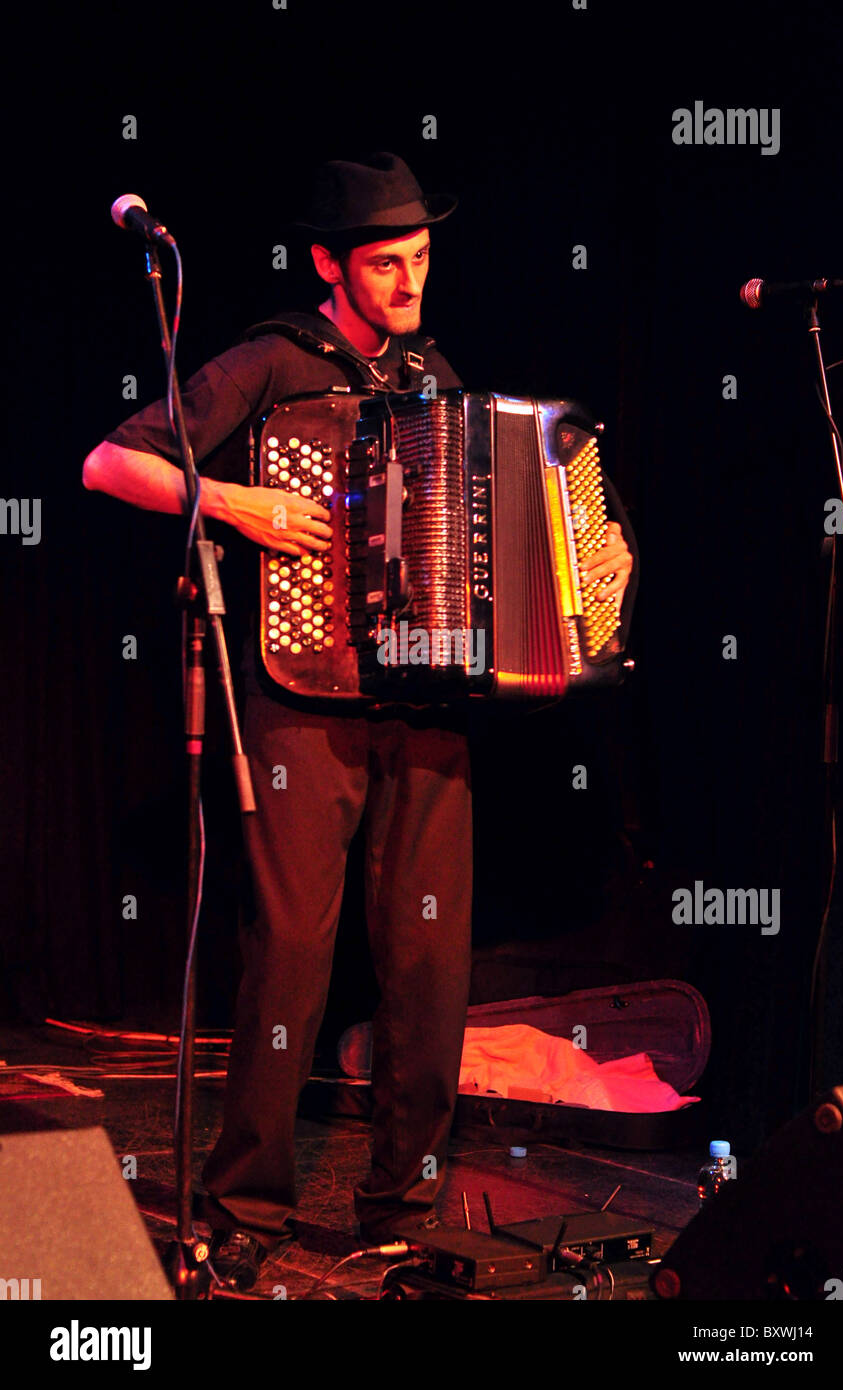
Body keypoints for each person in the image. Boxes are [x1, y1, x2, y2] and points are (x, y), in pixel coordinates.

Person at [83, 152, 634, 1290]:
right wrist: (236, 503)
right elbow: (108, 465)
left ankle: (402, 1202)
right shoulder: (274, 360)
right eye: (386, 263)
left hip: (427, 701)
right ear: (330, 266)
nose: (409, 280)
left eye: (420, 258)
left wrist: (583, 564)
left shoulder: (436, 377)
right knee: (289, 954)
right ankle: (245, 1202)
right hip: (300, 699)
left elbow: (494, 526)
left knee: (428, 963)